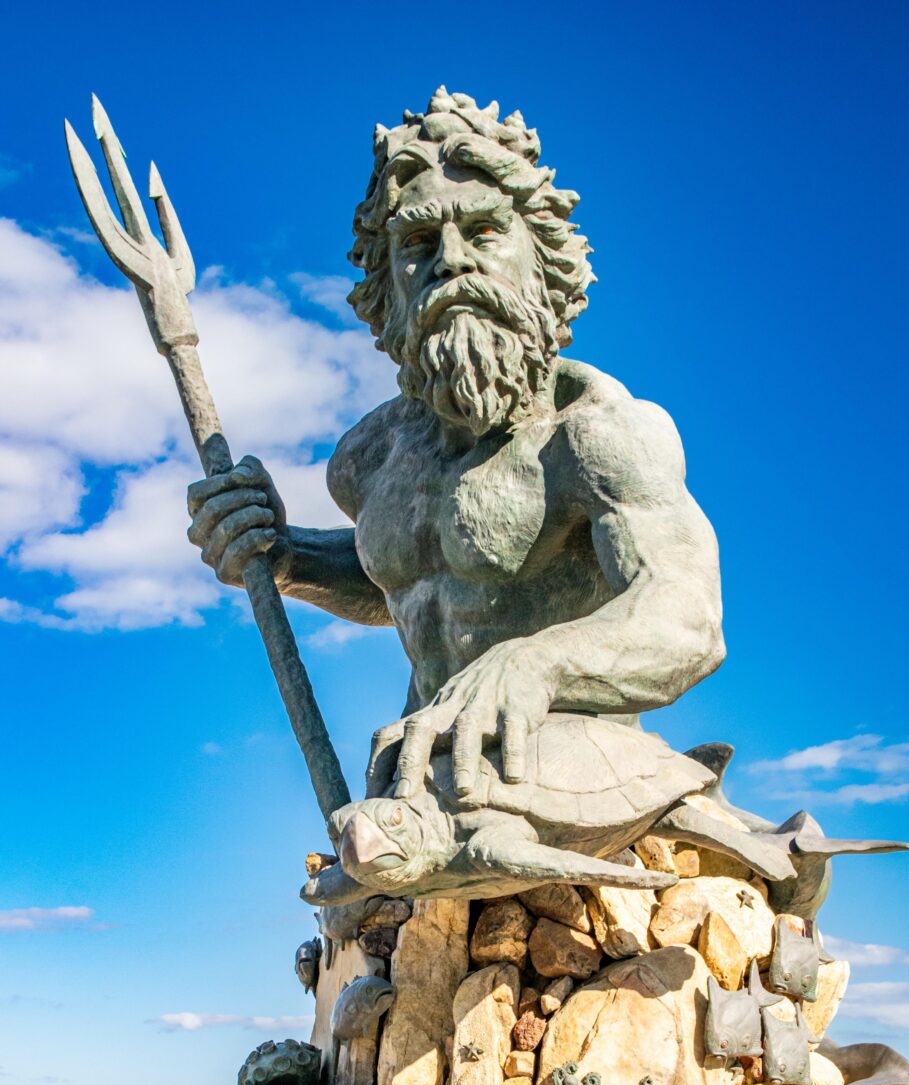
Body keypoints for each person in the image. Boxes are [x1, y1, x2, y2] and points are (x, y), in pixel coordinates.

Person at [186, 88, 724, 804]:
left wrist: (539, 664)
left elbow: (686, 619)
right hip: (426, 777)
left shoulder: (597, 434)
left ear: (544, 260)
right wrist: (283, 557)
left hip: (578, 778)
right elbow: (407, 574)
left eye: (482, 231)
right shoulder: (370, 457)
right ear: (387, 284)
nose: (448, 259)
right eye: (414, 242)